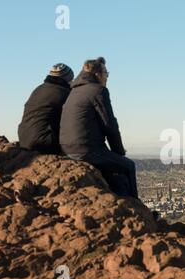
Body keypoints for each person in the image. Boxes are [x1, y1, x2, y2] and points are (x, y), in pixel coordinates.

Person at [59, 57, 138, 198]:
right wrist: (118, 151)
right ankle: (136, 207)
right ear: (97, 74)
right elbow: (110, 125)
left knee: (112, 172)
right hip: (85, 149)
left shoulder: (74, 91)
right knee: (128, 166)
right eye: (106, 73)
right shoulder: (98, 90)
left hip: (67, 148)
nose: (107, 77)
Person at [18, 63, 74, 154]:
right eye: (72, 79)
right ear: (67, 79)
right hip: (45, 142)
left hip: (24, 139)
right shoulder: (63, 93)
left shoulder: (39, 89)